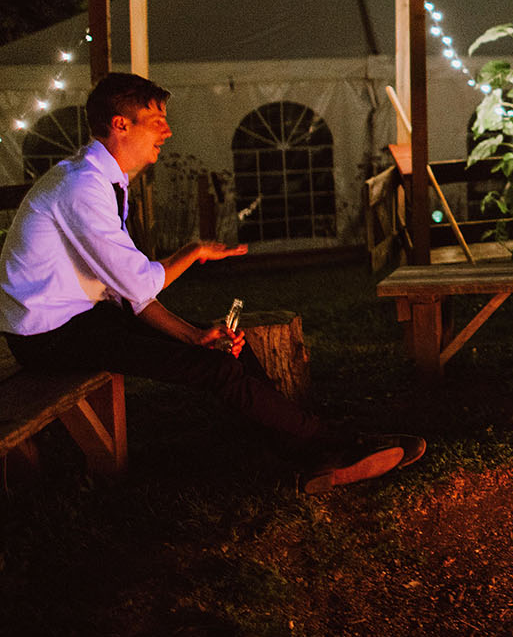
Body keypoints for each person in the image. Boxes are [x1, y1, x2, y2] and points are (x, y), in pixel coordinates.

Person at [0, 73, 422, 493]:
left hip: (80, 319)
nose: (167, 130)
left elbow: (128, 293)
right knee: (216, 369)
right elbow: (136, 282)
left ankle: (307, 449)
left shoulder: (99, 180)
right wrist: (193, 252)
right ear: (120, 124)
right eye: (155, 119)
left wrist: (194, 334)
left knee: (227, 347)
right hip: (46, 336)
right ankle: (336, 446)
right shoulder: (81, 186)